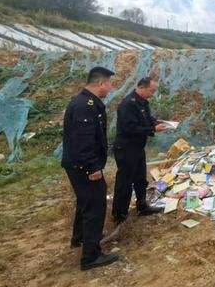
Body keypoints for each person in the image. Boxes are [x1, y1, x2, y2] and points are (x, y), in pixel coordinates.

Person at [61, 66, 117, 271]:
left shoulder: (84, 102)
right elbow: (83, 141)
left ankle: (80, 238)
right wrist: (93, 167)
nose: (111, 87)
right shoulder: (85, 105)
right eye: (110, 83)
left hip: (78, 164)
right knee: (95, 206)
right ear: (101, 83)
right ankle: (91, 256)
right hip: (84, 166)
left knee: (86, 202)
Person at [112, 77, 168, 225]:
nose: (153, 93)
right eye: (151, 90)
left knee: (141, 179)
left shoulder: (142, 102)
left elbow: (146, 118)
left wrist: (156, 122)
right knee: (125, 182)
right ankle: (119, 214)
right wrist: (153, 129)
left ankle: (142, 207)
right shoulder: (128, 104)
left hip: (137, 147)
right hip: (126, 148)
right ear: (142, 87)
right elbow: (130, 128)